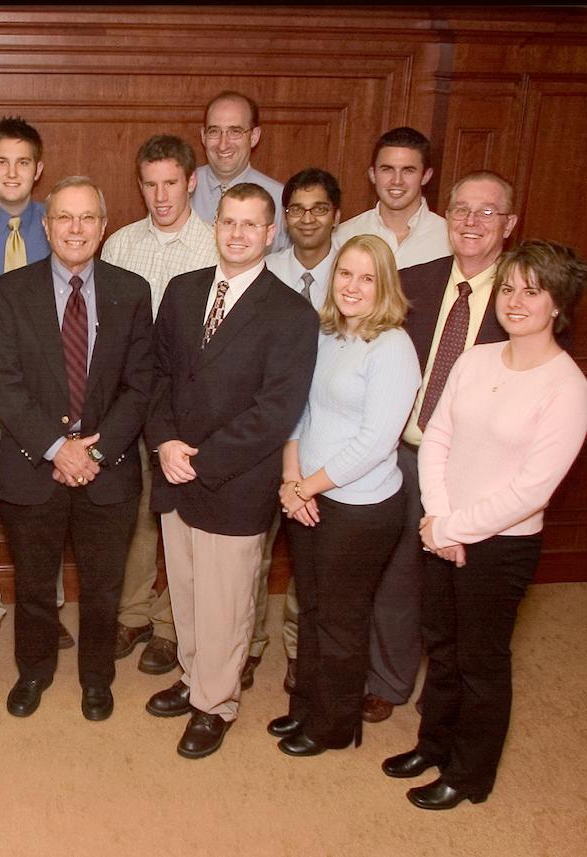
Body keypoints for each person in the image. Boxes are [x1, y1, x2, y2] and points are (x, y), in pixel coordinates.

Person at [384, 240, 587, 810]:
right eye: (511, 288)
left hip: (501, 546)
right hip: (443, 525)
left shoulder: (567, 387)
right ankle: (433, 745)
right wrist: (440, 517)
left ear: (558, 304)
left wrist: (454, 528)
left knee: (481, 660)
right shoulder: (474, 359)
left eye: (533, 290)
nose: (516, 301)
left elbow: (532, 489)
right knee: (441, 646)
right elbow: (437, 436)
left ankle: (470, 775)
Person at [145, 183, 317, 759]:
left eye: (251, 225)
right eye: (229, 222)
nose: (237, 234)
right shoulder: (184, 289)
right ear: (214, 225)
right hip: (175, 469)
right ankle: (195, 678)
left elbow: (277, 409)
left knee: (228, 599)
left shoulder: (291, 312)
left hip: (236, 480)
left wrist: (203, 460)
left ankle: (215, 703)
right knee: (189, 591)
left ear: (272, 234)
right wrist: (166, 441)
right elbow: (159, 375)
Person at [0, 176, 152, 721]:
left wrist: (94, 454)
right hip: (35, 465)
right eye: (64, 217)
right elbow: (5, 384)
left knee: (103, 589)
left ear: (103, 228)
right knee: (34, 586)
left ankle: (97, 679)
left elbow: (140, 384)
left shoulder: (132, 292)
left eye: (87, 218)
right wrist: (59, 448)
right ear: (46, 225)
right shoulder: (11, 292)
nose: (75, 229)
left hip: (109, 469)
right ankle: (33, 672)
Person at [362, 170, 518, 725]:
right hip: (405, 454)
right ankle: (387, 679)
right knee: (397, 574)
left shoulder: (522, 294)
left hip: (479, 469)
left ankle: (447, 697)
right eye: (461, 210)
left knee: (463, 588)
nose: (471, 222)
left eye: (486, 211)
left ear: (509, 223)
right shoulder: (415, 282)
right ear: (445, 217)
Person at [267, 235, 421, 756]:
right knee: (310, 609)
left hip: (358, 509)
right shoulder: (328, 334)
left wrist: (305, 486)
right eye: (345, 274)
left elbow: (377, 443)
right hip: (306, 496)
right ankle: (306, 708)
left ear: (385, 285)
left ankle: (334, 727)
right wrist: (291, 480)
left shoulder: (393, 347)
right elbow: (300, 411)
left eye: (366, 277)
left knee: (341, 620)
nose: (352, 287)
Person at [101, 134, 217, 676]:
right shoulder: (120, 244)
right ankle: (133, 614)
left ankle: (171, 627)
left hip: (188, 408)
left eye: (171, 182)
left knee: (180, 517)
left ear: (191, 181)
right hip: (128, 403)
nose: (161, 195)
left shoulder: (218, 246)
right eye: (150, 184)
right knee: (137, 515)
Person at [0, 116, 73, 656]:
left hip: (43, 398)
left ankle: (47, 607)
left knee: (42, 509)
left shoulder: (58, 224)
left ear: (38, 169)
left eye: (23, 162)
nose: (12, 172)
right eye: (1, 162)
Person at [257, 167, 343, 692]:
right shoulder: (265, 270)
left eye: (318, 209)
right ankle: (247, 648)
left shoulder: (356, 272)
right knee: (256, 552)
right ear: (283, 219)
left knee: (311, 562)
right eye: (296, 209)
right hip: (267, 435)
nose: (307, 218)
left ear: (336, 215)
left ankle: (297, 650)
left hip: (327, 438)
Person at [334, 127, 450, 269]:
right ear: (372, 174)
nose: (397, 180)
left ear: (425, 176)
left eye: (408, 171)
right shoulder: (344, 236)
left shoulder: (449, 239)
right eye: (387, 169)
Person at [191, 91, 287, 251]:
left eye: (235, 131)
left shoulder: (280, 199)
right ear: (203, 136)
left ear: (254, 136)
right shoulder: (179, 190)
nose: (223, 144)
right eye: (214, 131)